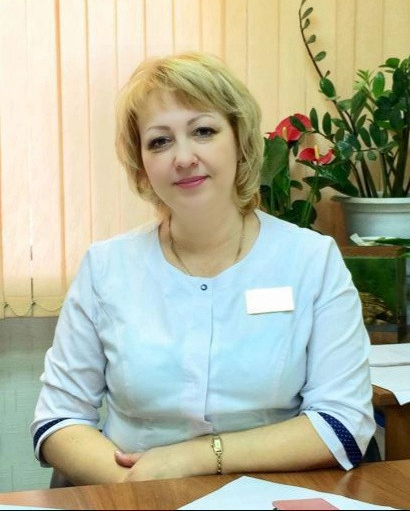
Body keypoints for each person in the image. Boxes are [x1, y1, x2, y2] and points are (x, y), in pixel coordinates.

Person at [31, 52, 375, 486]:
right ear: (141, 165)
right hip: (135, 494)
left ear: (240, 140)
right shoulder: (106, 267)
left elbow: (344, 422)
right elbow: (58, 420)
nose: (183, 157)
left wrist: (194, 458)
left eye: (203, 131)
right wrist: (138, 487)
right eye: (160, 141)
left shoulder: (311, 259)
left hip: (274, 491)